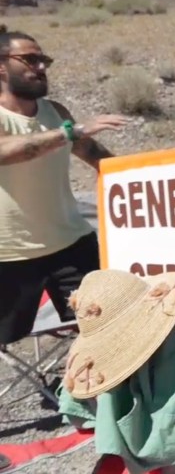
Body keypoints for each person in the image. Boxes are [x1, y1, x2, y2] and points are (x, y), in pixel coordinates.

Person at [0, 25, 133, 345]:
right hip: (10, 255)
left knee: (103, 328)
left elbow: (97, 156)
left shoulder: (56, 113)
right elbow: (6, 150)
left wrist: (143, 178)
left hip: (72, 246)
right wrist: (69, 133)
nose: (42, 67)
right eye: (30, 59)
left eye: (43, 59)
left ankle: (92, 391)